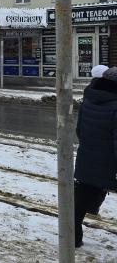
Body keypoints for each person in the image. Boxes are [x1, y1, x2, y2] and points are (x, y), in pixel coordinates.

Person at [73, 65, 117, 248]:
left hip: (87, 158)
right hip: (110, 164)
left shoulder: (89, 98)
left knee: (79, 205)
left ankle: (73, 238)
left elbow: (79, 130)